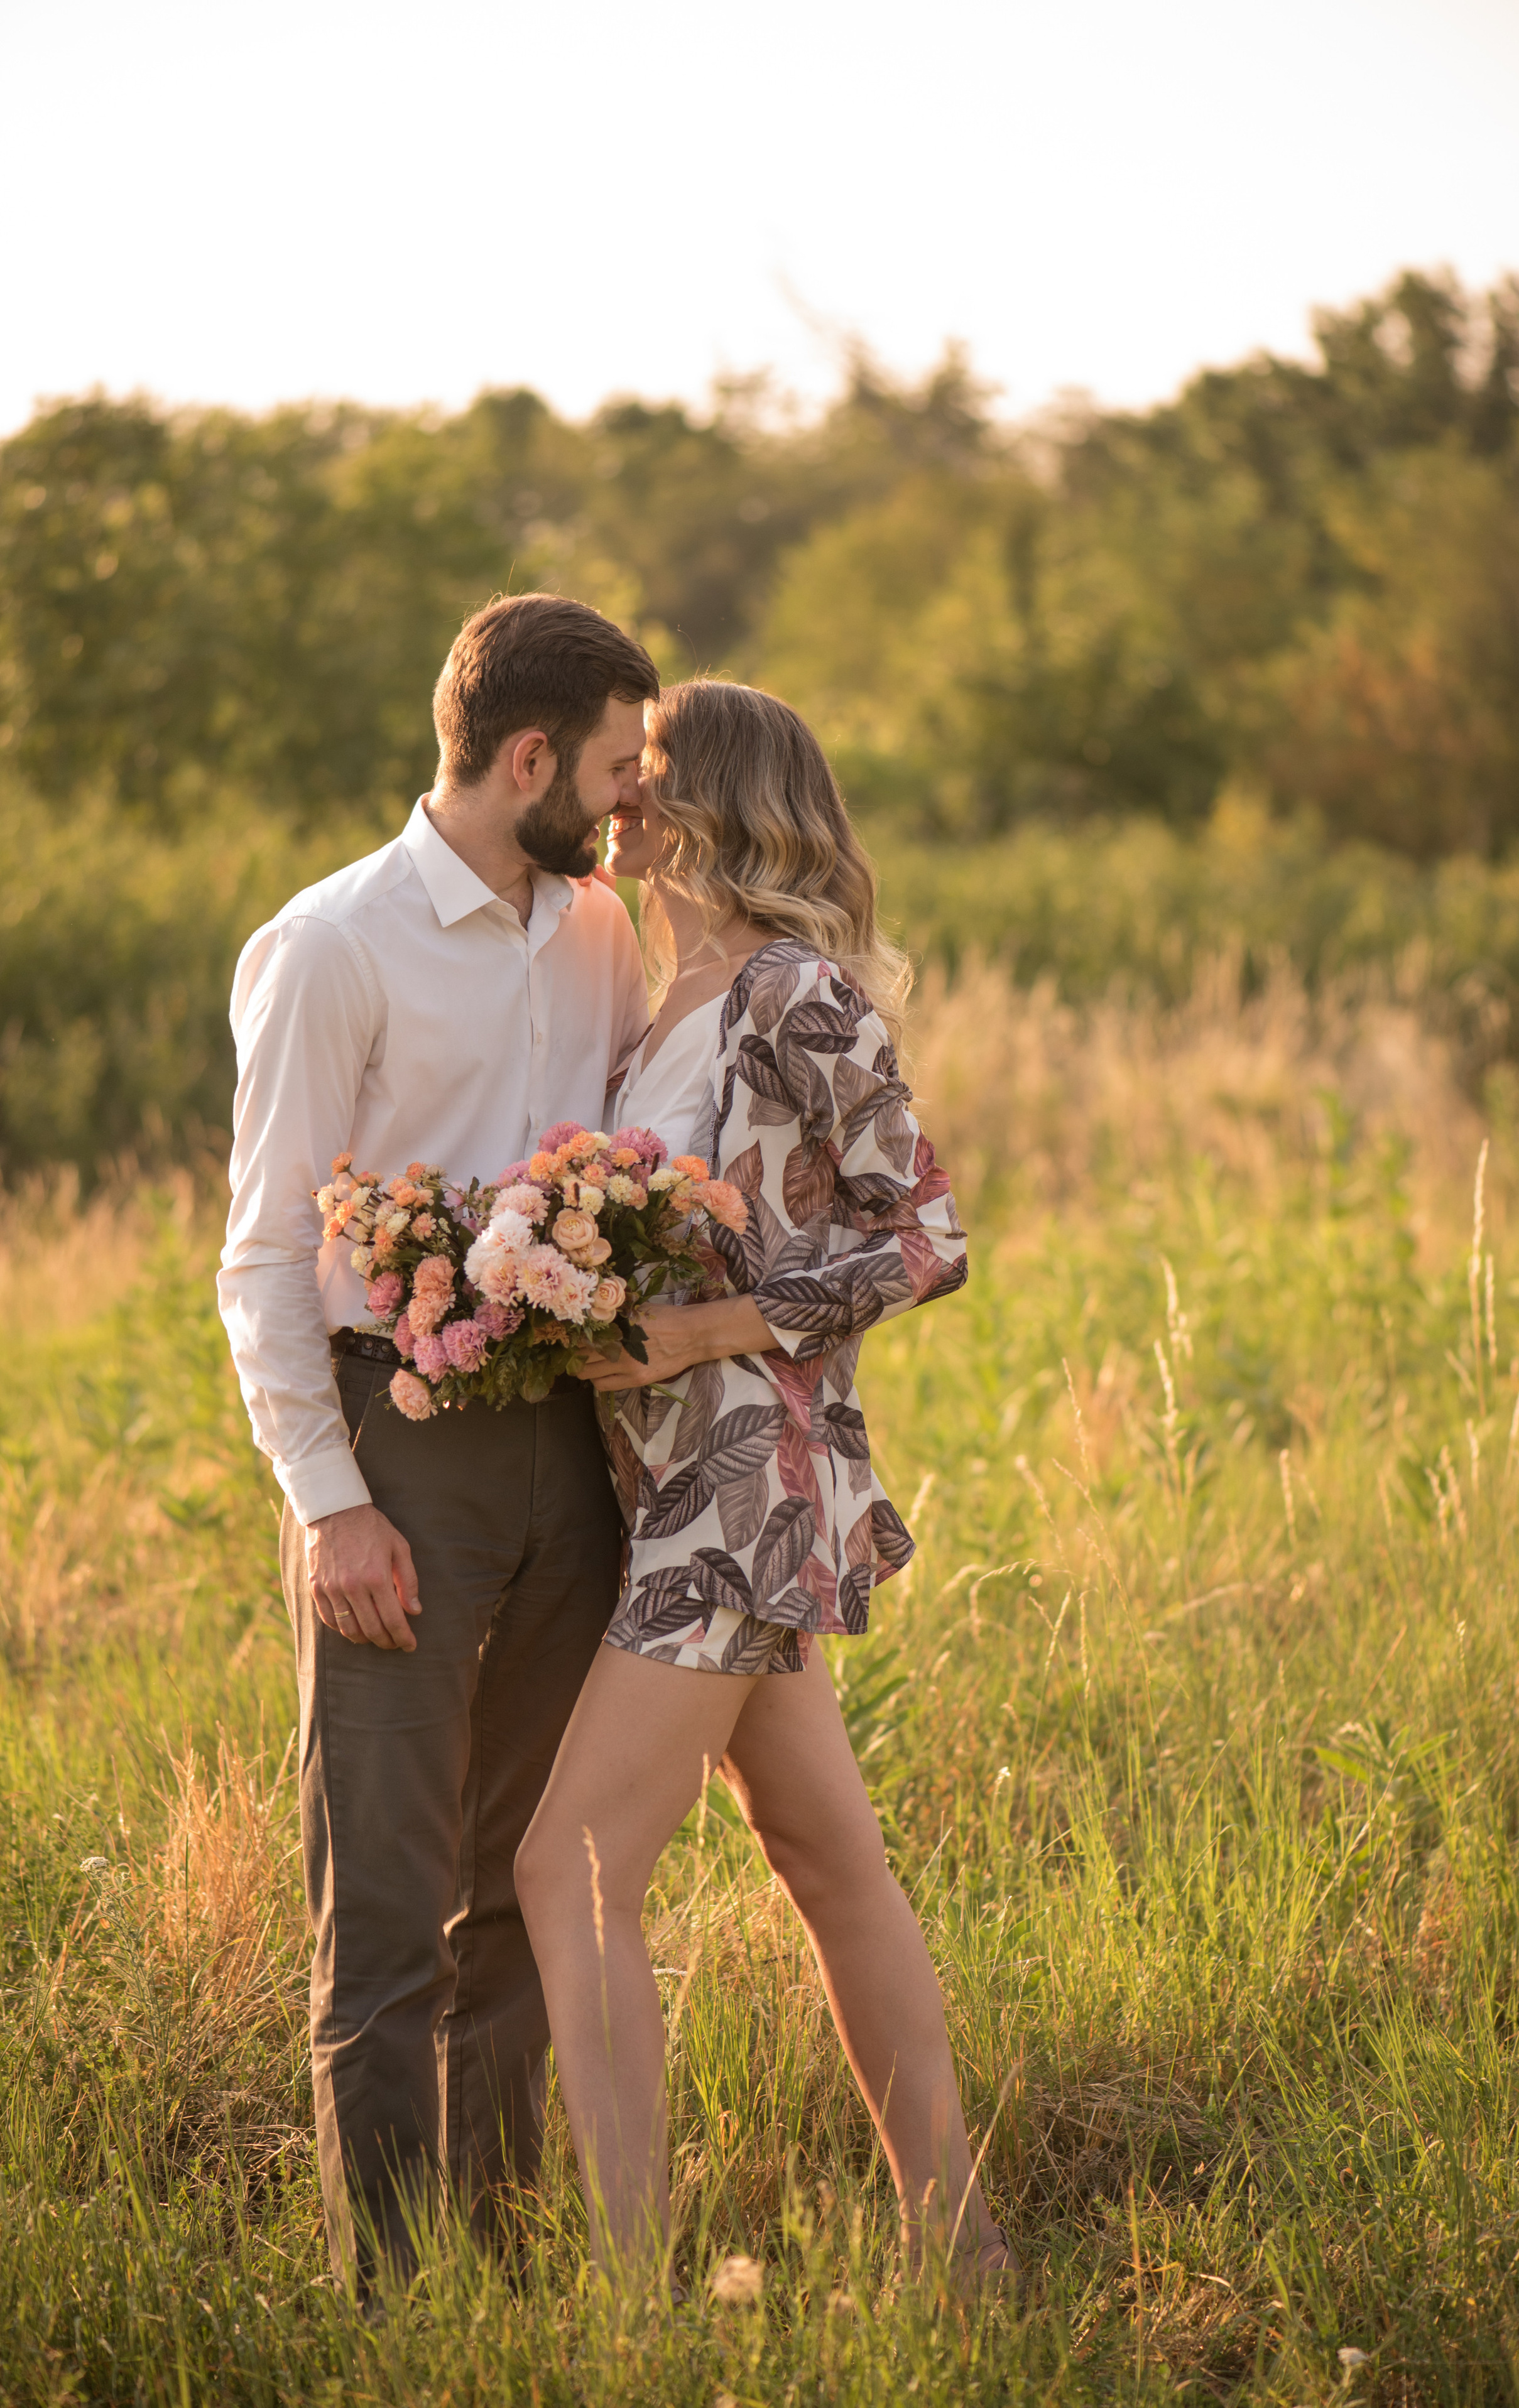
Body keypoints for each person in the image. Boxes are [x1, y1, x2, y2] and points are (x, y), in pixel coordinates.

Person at [514, 678, 1018, 2286]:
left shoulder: (797, 992)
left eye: (644, 774)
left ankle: (629, 2286)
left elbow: (927, 1239)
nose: (619, 801)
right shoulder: (665, 1001)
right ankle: (964, 2252)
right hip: (671, 1488)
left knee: (566, 1867)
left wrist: (702, 1331)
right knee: (828, 1864)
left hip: (745, 1483)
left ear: (709, 803)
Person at [217, 593, 658, 2291]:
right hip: (393, 1457)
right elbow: (263, 1258)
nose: (627, 806)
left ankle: (512, 2267)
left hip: (568, 1453)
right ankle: (391, 2304)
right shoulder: (333, 945)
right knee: (388, 1909)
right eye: (613, 771)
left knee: (530, 1887)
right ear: (527, 756)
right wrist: (332, 1510)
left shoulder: (600, 927)